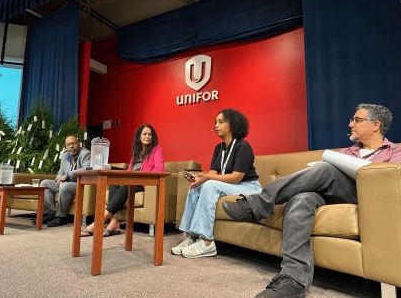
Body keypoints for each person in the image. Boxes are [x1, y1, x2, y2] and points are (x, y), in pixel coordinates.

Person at [222, 103, 401, 298]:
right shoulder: (347, 152)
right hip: (331, 195)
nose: (351, 124)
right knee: (301, 199)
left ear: (375, 125)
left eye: (357, 120)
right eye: (352, 120)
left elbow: (393, 182)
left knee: (325, 169)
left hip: (367, 198)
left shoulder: (394, 152)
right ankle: (294, 279)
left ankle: (259, 203)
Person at [171, 108, 262, 258]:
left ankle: (207, 242)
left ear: (232, 124)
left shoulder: (243, 146)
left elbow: (236, 177)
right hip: (233, 186)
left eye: (220, 122)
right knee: (196, 186)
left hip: (249, 187)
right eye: (215, 122)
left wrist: (208, 179)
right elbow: (213, 173)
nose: (216, 125)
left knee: (210, 184)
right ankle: (191, 237)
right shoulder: (218, 148)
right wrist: (200, 176)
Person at [81, 124, 164, 237]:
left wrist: (139, 177)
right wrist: (124, 178)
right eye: (144, 134)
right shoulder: (136, 152)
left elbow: (159, 169)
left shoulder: (156, 149)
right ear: (139, 136)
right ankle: (114, 222)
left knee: (127, 186)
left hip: (145, 183)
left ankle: (99, 222)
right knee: (114, 184)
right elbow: (130, 170)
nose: (147, 136)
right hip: (132, 181)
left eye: (150, 134)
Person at [41, 135, 90, 227]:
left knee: (65, 186)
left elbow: (86, 169)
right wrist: (58, 179)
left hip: (80, 183)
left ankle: (61, 217)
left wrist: (67, 176)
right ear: (66, 147)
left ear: (79, 144)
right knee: (45, 183)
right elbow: (60, 172)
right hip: (66, 183)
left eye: (74, 143)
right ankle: (50, 213)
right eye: (69, 144)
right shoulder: (64, 156)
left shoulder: (86, 153)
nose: (72, 146)